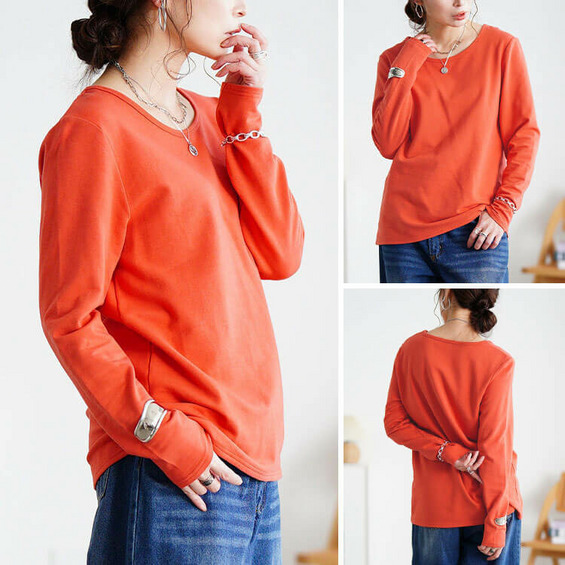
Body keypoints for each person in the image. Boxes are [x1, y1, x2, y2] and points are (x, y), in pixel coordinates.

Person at [37, 0, 304, 562]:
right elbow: (69, 317)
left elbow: (281, 254)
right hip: (171, 472)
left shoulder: (214, 115)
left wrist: (244, 111)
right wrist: (164, 436)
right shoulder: (94, 129)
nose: (242, 6)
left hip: (254, 465)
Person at [371, 0, 540, 283]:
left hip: (475, 230)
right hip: (403, 236)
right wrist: (409, 60)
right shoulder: (394, 59)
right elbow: (387, 143)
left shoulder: (501, 47)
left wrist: (504, 208)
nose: (460, 2)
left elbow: (524, 134)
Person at [384, 289, 522, 564]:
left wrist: (446, 451)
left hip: (434, 508)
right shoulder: (498, 362)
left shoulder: (411, 349)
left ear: (446, 294)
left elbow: (395, 424)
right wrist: (496, 522)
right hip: (489, 507)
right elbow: (495, 447)